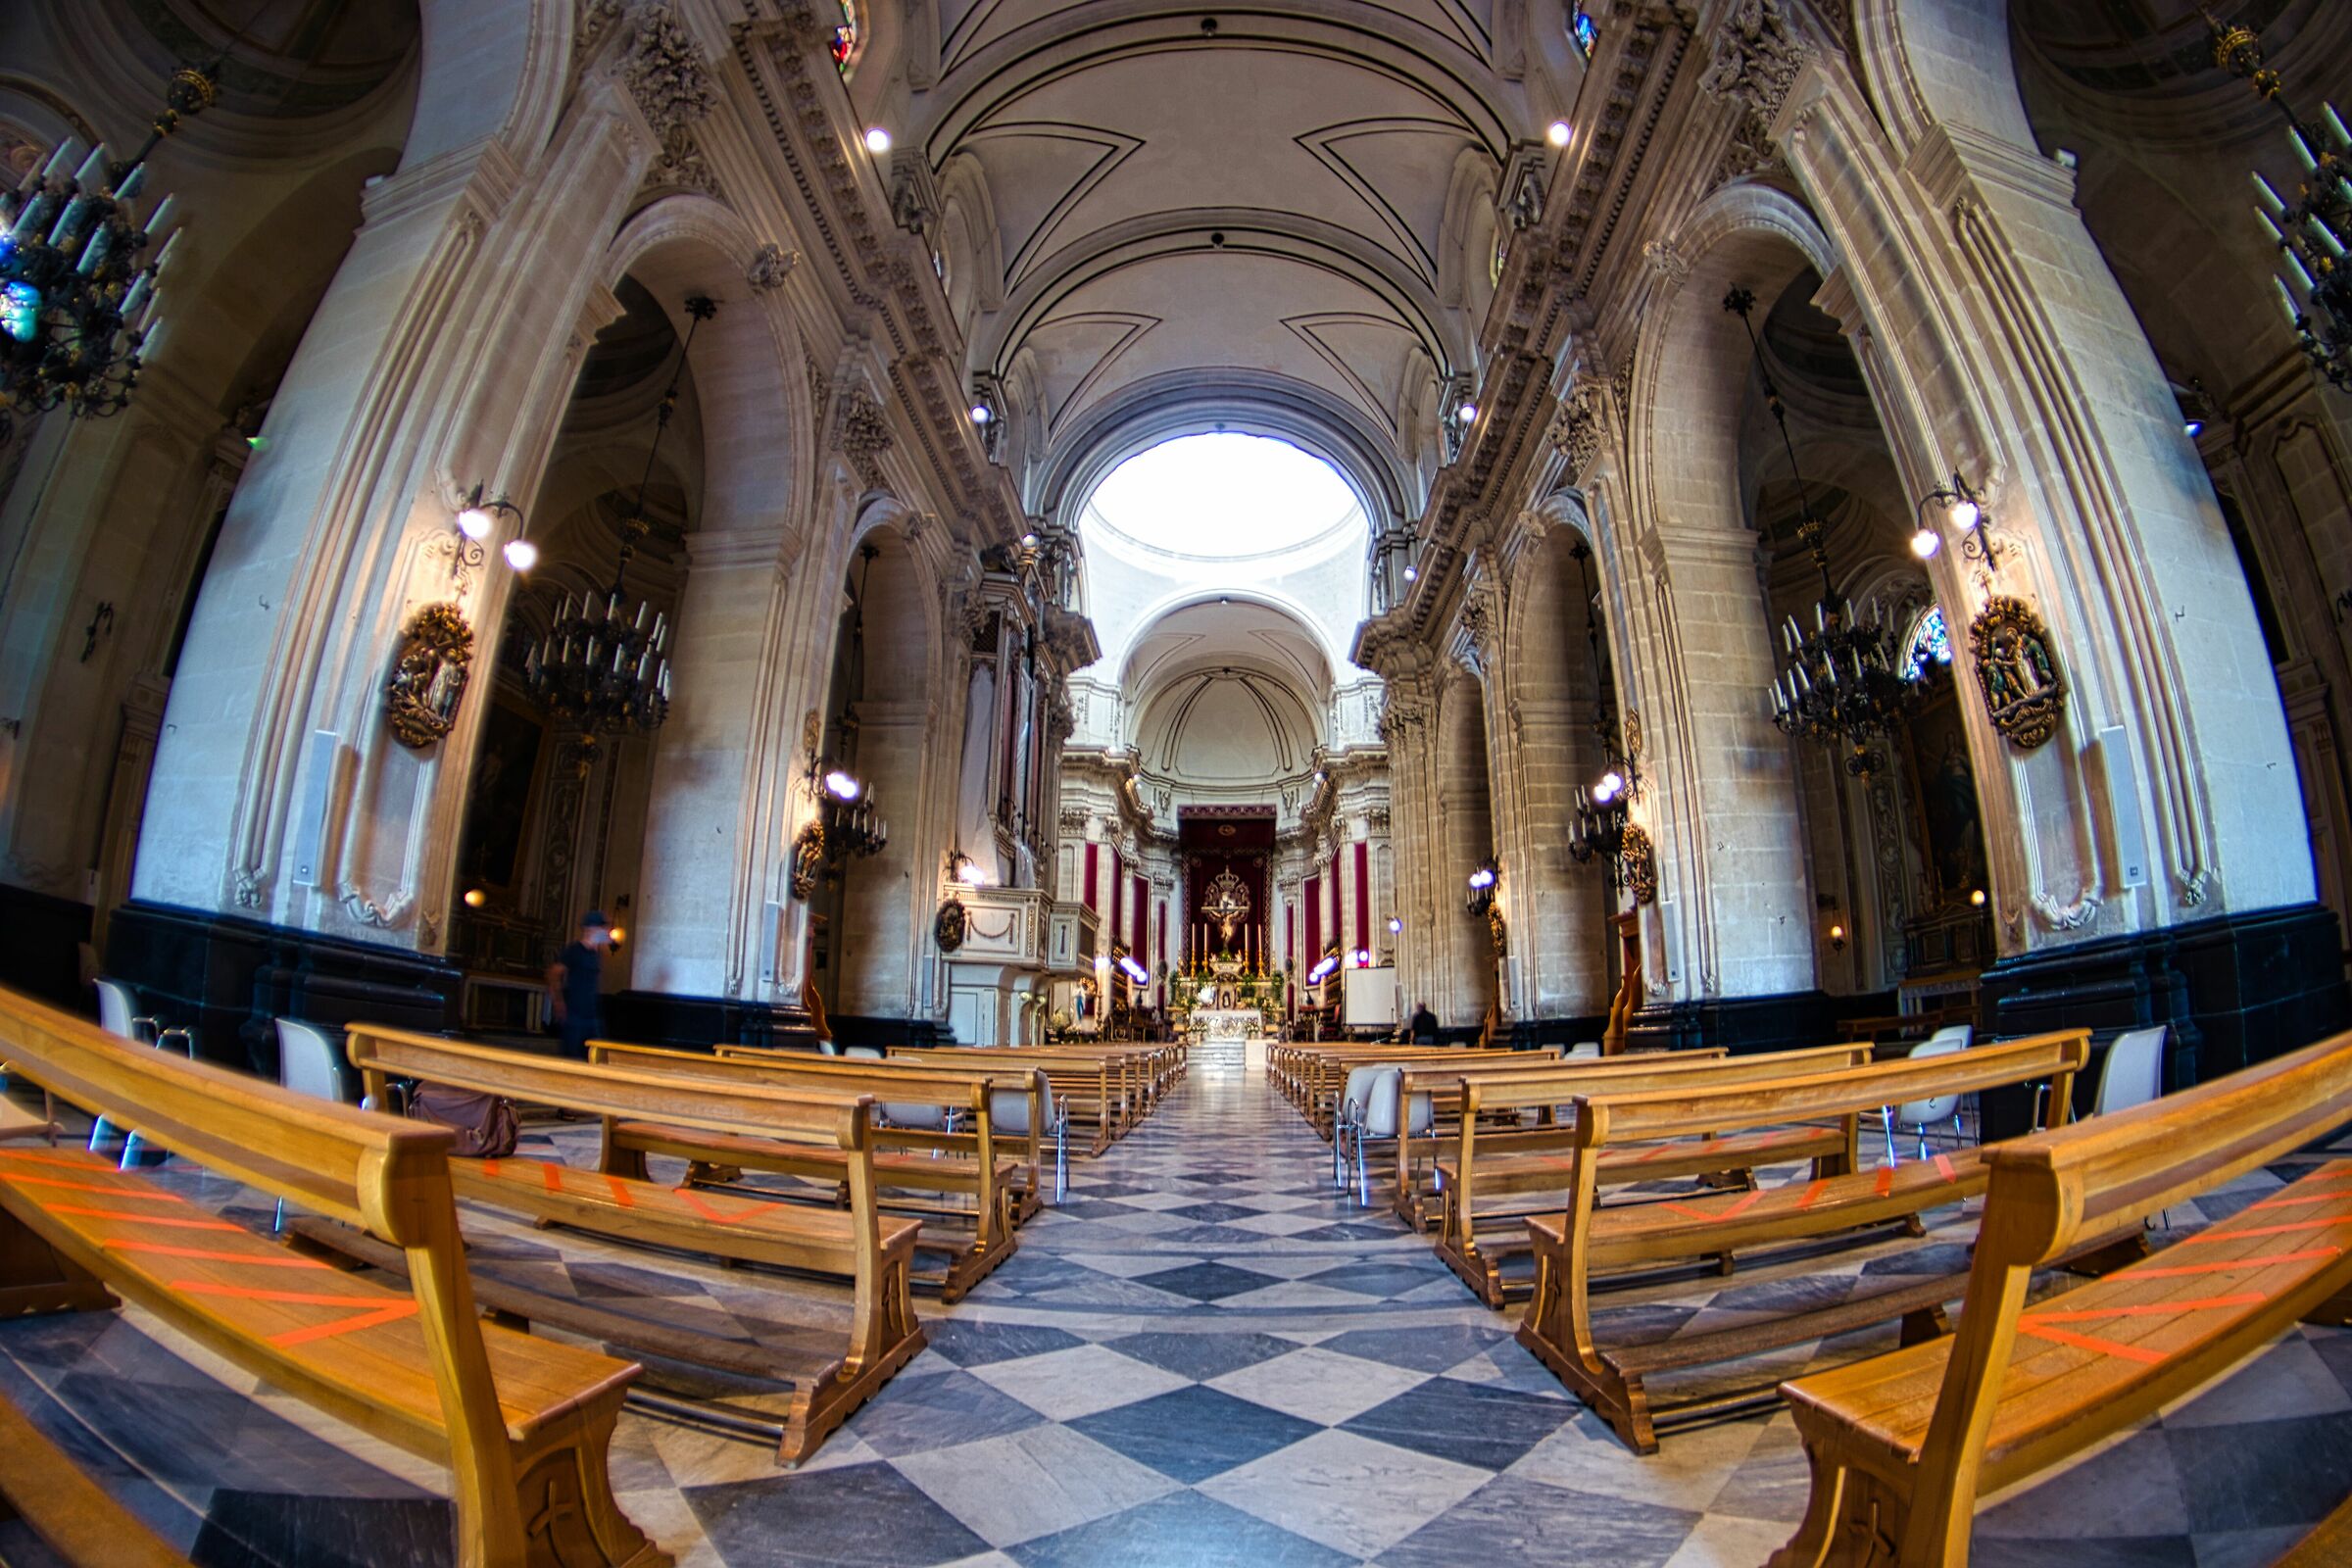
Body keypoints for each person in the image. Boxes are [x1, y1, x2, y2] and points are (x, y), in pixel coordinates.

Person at [547, 910, 612, 1060]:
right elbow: (554, 974)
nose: (603, 931)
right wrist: (558, 1001)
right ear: (590, 929)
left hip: (592, 1013)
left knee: (596, 1055)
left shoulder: (596, 954)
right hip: (575, 1013)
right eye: (600, 928)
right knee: (572, 1055)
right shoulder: (574, 951)